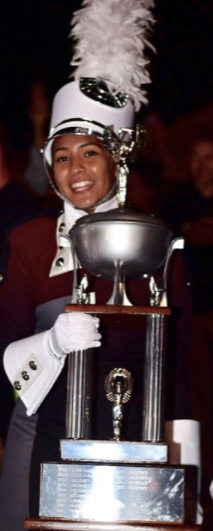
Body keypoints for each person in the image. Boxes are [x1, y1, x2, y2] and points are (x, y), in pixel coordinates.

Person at [0, 0, 201, 528]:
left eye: (90, 152)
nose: (76, 169)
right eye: (61, 157)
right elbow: (2, 353)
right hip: (38, 440)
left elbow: (182, 367)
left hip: (141, 443)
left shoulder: (160, 244)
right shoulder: (30, 241)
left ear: (117, 158)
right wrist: (50, 344)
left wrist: (195, 462)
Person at [158, 131, 213, 529]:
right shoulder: (176, 202)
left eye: (209, 158)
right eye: (196, 158)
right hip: (193, 320)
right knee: (199, 402)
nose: (202, 166)